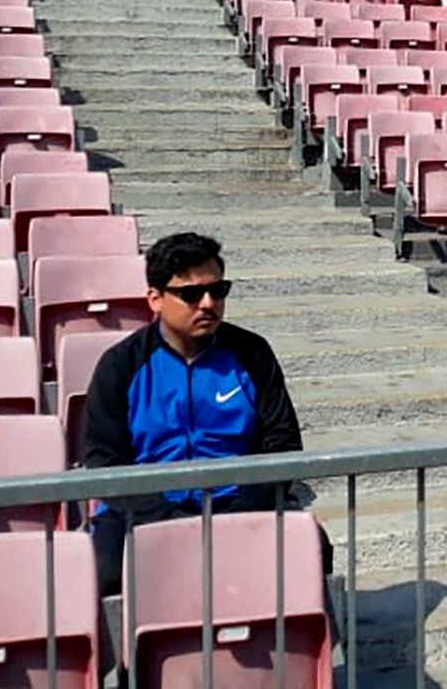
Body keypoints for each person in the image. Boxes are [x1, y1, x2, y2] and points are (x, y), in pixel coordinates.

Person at [82, 232, 305, 596]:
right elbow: (104, 460)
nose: (208, 303)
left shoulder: (252, 353)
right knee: (104, 572)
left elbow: (282, 441)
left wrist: (242, 512)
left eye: (219, 291)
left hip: (238, 504)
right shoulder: (120, 365)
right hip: (145, 508)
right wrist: (168, 521)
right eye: (191, 294)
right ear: (155, 299)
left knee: (313, 553)